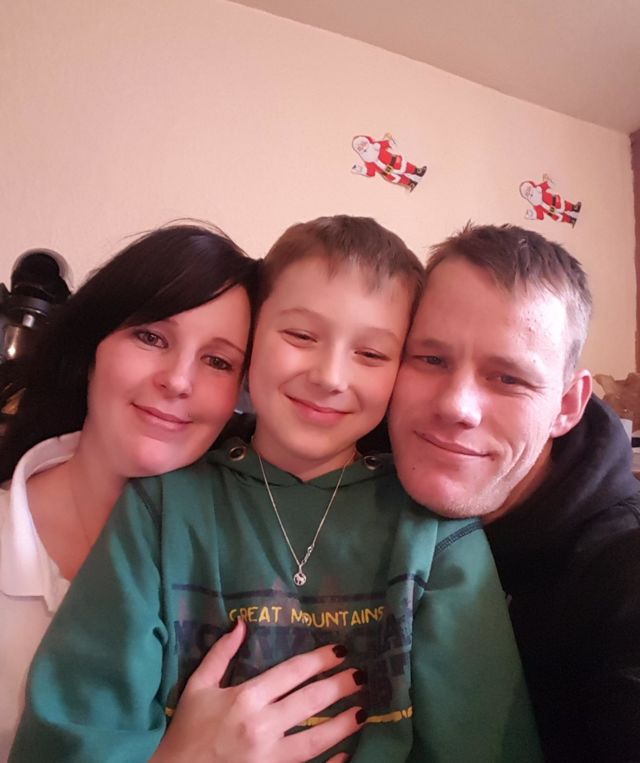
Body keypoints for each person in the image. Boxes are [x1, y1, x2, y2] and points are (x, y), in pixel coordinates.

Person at [11, 216, 540, 762]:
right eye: (301, 336)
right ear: (250, 345)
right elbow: (75, 736)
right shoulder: (161, 508)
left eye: (371, 354)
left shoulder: (433, 533)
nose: (330, 376)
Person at [0, 223, 363, 763]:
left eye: (218, 361)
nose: (178, 380)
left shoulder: (274, 563)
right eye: (152, 338)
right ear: (93, 348)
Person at [388, 222, 640, 762]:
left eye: (508, 379)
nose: (456, 406)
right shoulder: (354, 474)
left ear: (567, 406)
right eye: (430, 359)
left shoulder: (622, 574)